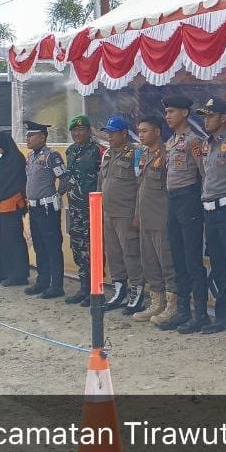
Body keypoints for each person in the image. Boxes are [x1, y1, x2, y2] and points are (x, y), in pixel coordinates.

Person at [195, 97, 226, 337]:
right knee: (218, 264)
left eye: (210, 116)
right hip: (210, 209)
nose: (206, 120)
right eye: (204, 116)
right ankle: (223, 314)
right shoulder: (206, 144)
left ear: (223, 118)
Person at [157, 95, 206, 332]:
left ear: (185, 113)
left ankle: (200, 313)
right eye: (166, 112)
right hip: (173, 199)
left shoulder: (193, 140)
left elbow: (204, 172)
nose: (167, 116)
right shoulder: (171, 141)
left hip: (189, 198)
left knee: (192, 258)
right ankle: (183, 310)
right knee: (177, 257)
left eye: (172, 111)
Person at [132, 115, 175, 324]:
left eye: (145, 131)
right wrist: (137, 215)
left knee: (167, 263)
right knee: (149, 263)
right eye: (139, 131)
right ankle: (156, 302)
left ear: (157, 132)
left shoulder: (167, 154)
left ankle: (172, 305)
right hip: (145, 217)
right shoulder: (143, 155)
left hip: (161, 218)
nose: (140, 135)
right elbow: (140, 186)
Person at [99, 115, 143, 313]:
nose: (109, 136)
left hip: (126, 213)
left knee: (130, 252)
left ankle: (136, 291)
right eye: (107, 133)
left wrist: (138, 214)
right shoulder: (107, 154)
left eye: (113, 133)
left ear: (124, 133)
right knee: (114, 253)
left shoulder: (136, 153)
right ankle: (119, 290)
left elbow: (141, 185)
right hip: (108, 213)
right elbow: (101, 183)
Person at [62, 115, 103, 306]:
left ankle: (96, 290)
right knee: (78, 247)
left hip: (91, 209)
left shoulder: (97, 151)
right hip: (75, 208)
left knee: (93, 248)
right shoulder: (71, 151)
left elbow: (102, 178)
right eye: (74, 131)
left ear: (89, 131)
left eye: (81, 130)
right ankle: (84, 287)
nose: (77, 134)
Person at [23, 121, 67, 299]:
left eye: (31, 135)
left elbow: (64, 177)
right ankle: (42, 281)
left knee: (52, 246)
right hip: (34, 207)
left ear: (42, 137)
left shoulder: (52, 156)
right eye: (27, 135)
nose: (28, 138)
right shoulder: (31, 157)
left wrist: (58, 194)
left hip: (48, 207)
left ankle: (56, 285)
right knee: (39, 246)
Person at [0, 130, 30, 286]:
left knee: (14, 241)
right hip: (2, 205)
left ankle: (18, 275)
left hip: (12, 205)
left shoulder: (15, 160)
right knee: (3, 241)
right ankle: (4, 273)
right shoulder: (6, 159)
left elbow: (13, 184)